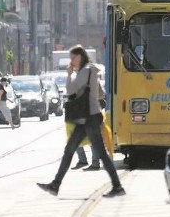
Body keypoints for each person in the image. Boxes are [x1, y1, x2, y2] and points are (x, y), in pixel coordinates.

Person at [37, 45, 124, 197]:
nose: (71, 62)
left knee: (98, 153)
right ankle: (55, 185)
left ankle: (117, 187)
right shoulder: (92, 71)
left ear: (80, 56)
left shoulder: (84, 71)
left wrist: (69, 74)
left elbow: (70, 90)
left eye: (73, 58)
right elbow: (101, 94)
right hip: (88, 117)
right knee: (70, 151)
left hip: (88, 118)